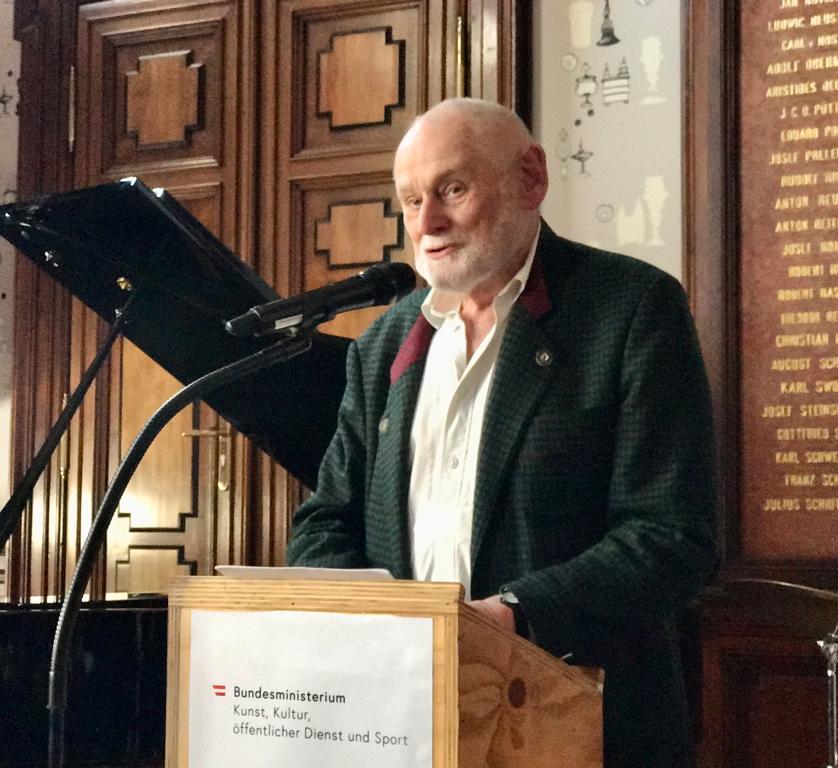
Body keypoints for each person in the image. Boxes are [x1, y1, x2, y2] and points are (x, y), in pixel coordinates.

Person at [286, 98, 718, 767]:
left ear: (530, 179)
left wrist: (510, 617)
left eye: (452, 190)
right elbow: (323, 524)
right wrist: (382, 623)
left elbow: (672, 536)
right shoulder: (384, 345)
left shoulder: (630, 309)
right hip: (408, 724)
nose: (426, 223)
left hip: (580, 723)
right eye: (411, 200)